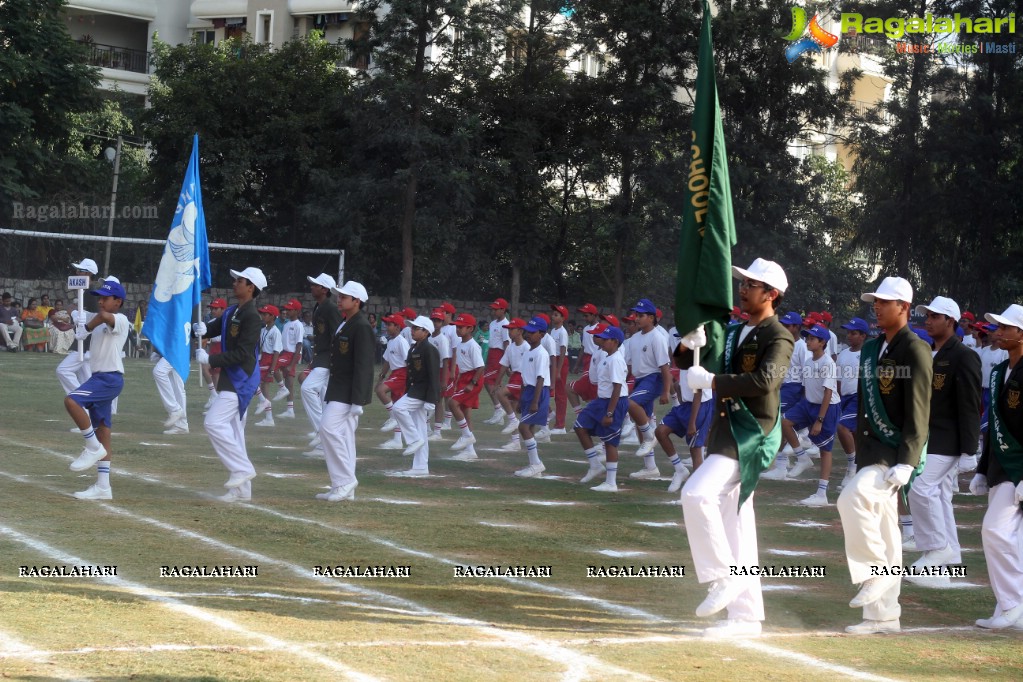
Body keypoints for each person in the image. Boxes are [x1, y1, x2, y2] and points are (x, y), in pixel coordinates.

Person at [679, 258, 794, 639]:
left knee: (696, 494)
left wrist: (713, 381)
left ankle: (722, 575)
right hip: (726, 432)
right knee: (736, 522)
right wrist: (688, 342)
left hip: (751, 436)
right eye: (742, 283)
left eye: (752, 285)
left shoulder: (779, 336)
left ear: (771, 295)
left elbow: (765, 381)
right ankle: (745, 617)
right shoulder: (731, 331)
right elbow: (684, 360)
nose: (742, 289)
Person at [837, 276, 932, 635]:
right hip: (870, 448)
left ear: (904, 308)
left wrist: (908, 461)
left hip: (894, 453)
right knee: (885, 529)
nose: (876, 307)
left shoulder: (916, 348)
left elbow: (919, 409)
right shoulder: (871, 348)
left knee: (852, 498)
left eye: (884, 302)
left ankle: (873, 569)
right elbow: (866, 401)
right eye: (874, 302)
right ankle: (884, 617)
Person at [906, 296, 981, 585]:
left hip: (947, 439)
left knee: (921, 488)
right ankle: (949, 562)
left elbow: (970, 405)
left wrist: (969, 449)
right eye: (927, 315)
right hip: (930, 437)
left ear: (950, 320)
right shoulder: (930, 352)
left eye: (934, 316)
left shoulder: (964, 355)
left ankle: (937, 548)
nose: (927, 320)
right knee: (938, 496)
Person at [971, 303, 1023, 629]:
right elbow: (993, 422)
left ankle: (1011, 604)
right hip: (1000, 466)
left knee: (994, 531)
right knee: (1008, 538)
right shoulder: (997, 369)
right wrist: (980, 468)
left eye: (1005, 327)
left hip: (1019, 469)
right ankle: (1010, 605)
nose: (998, 332)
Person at [194, 267, 265, 502]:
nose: (234, 283)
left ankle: (242, 468)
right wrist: (200, 328)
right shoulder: (233, 310)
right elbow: (215, 328)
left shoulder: (253, 317)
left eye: (240, 281)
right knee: (235, 431)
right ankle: (242, 491)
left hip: (241, 377)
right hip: (230, 376)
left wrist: (211, 359)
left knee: (213, 422)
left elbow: (244, 353)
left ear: (251, 287)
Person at [64, 279, 130, 500]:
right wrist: (79, 320)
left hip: (109, 378)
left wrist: (86, 327)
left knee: (71, 401)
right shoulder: (101, 320)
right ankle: (103, 486)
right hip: (100, 376)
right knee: (103, 432)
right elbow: (93, 318)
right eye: (99, 298)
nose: (101, 301)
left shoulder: (120, 320)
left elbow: (101, 317)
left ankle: (91, 447)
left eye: (105, 298)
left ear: (118, 302)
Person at [317, 280, 375, 502]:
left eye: (344, 297)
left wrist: (358, 400)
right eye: (339, 296)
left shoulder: (361, 326)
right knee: (345, 438)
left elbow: (364, 364)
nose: (339, 300)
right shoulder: (346, 322)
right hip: (338, 387)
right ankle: (342, 486)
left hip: (348, 391)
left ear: (356, 301)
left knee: (327, 429)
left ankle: (345, 481)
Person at [782, 324, 841, 506]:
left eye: (812, 339)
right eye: (807, 338)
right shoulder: (809, 362)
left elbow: (828, 393)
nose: (808, 341)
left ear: (822, 342)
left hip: (827, 408)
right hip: (808, 404)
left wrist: (819, 421)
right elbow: (807, 386)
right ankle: (802, 457)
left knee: (825, 450)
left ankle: (822, 493)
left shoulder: (828, 364)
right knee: (784, 422)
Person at [577, 324, 629, 491]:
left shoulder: (616, 360)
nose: (602, 341)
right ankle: (595, 464)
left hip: (613, 402)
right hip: (601, 401)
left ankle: (611, 482)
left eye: (606, 339)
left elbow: (617, 387)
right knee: (580, 426)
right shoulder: (606, 357)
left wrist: (609, 412)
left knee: (610, 441)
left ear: (615, 341)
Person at [625, 298, 673, 479]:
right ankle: (650, 467)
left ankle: (649, 436)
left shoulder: (657, 337)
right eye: (636, 315)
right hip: (639, 379)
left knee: (630, 404)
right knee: (639, 421)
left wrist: (666, 391)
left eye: (641, 315)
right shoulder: (634, 338)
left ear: (652, 318)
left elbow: (664, 367)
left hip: (653, 379)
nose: (637, 318)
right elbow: (630, 365)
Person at [390, 316, 442, 476]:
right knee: (420, 428)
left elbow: (434, 376)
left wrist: (432, 400)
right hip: (414, 390)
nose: (412, 330)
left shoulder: (430, 349)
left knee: (398, 408)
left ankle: (413, 439)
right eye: (412, 328)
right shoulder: (413, 348)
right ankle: (420, 466)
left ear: (426, 332)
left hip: (422, 392)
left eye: (416, 328)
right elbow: (410, 373)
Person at [301, 273, 344, 458]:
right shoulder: (319, 306)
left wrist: (336, 360)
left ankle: (321, 430)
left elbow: (337, 335)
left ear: (324, 289)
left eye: (316, 285)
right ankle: (323, 447)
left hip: (328, 359)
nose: (312, 287)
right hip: (320, 358)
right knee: (325, 399)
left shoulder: (331, 308)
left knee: (307, 388)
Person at [56, 259, 99, 396]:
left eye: (80, 271)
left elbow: (95, 317)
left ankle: (81, 398)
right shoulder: (87, 292)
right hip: (85, 343)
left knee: (62, 370)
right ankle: (88, 405)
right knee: (86, 378)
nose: (76, 273)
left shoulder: (91, 293)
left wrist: (73, 311)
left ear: (88, 274)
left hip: (86, 343)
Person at [835, 318, 868, 489]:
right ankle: (859, 471)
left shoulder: (868, 354)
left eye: (853, 333)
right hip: (846, 398)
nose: (849, 336)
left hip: (859, 397)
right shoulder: (843, 354)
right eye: (848, 332)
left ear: (863, 336)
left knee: (842, 427)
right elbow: (839, 379)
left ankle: (851, 466)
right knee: (855, 435)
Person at [447, 313, 485, 460]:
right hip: (464, 378)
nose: (458, 329)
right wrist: (458, 380)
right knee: (465, 411)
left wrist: (472, 383)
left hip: (473, 378)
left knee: (452, 403)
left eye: (461, 327)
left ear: (470, 328)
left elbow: (480, 367)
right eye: (457, 326)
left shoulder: (473, 345)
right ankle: (470, 450)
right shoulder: (461, 343)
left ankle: (467, 436)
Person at [377, 312, 411, 449]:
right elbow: (387, 360)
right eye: (386, 324)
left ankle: (393, 417)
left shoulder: (402, 342)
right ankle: (397, 440)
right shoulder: (391, 341)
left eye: (389, 325)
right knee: (396, 403)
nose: (386, 327)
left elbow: (408, 361)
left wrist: (410, 379)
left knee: (380, 390)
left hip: (402, 374)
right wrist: (382, 375)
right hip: (394, 374)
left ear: (398, 327)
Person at [272, 299, 305, 419]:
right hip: (285, 353)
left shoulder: (298, 325)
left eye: (290, 310)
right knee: (289, 382)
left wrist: (292, 363)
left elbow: (299, 344)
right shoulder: (286, 324)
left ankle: (281, 388)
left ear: (296, 311)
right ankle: (290, 410)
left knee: (273, 365)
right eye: (287, 309)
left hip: (291, 354)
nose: (287, 311)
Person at [254, 304, 283, 428]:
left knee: (255, 382)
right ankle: (268, 417)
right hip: (262, 358)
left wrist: (272, 368)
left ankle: (263, 402)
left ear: (272, 316)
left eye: (265, 314)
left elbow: (277, 351)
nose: (263, 316)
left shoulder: (276, 332)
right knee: (263, 386)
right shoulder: (263, 330)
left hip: (269, 358)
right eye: (262, 313)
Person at [483, 298, 511, 425]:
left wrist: (507, 361)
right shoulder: (493, 323)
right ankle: (499, 414)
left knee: (488, 381)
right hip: (491, 353)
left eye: (496, 309)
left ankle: (499, 409)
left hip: (499, 355)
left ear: (503, 310)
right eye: (493, 308)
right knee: (495, 383)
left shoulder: (505, 324)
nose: (493, 311)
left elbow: (506, 343)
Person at [200, 298, 228, 412]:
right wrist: (202, 348)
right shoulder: (211, 323)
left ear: (223, 309)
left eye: (215, 309)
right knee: (213, 375)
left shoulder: (228, 322)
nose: (213, 311)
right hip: (213, 348)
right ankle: (214, 398)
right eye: (212, 308)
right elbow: (206, 337)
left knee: (211, 372)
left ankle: (214, 397)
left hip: (223, 348)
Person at [154, 350, 189, 435]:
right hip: (176, 348)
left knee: (159, 371)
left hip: (178, 349)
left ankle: (174, 409)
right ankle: (181, 425)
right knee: (177, 386)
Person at [549, 305, 571, 434]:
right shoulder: (553, 331)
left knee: (561, 394)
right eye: (553, 314)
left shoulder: (563, 332)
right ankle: (553, 417)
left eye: (556, 315)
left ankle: (561, 425)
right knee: (552, 391)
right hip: (553, 361)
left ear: (563, 318)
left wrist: (558, 370)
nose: (553, 316)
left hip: (560, 361)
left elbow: (563, 351)